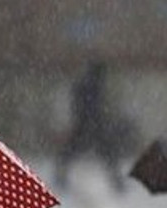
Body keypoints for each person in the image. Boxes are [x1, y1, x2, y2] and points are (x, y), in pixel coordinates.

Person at [54, 61, 126, 193]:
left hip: (85, 125)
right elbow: (95, 107)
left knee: (70, 152)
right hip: (93, 125)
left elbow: (77, 104)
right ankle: (117, 181)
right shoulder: (94, 87)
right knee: (107, 153)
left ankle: (60, 177)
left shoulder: (83, 85)